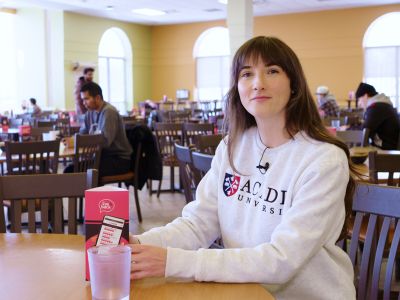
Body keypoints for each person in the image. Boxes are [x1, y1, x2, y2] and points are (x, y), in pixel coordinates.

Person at [129, 36, 356, 299]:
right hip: (243, 290)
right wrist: (139, 245)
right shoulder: (232, 146)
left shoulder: (324, 160)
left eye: (272, 71)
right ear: (237, 87)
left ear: (294, 85)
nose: (258, 83)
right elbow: (198, 224)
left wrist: (171, 262)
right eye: (247, 74)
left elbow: (281, 260)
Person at [77, 81, 132, 177]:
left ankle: (91, 192)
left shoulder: (109, 112)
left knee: (84, 172)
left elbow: (105, 141)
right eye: (82, 100)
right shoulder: (90, 112)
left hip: (119, 159)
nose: (84, 103)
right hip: (102, 157)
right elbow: (82, 134)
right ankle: (84, 192)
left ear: (97, 98)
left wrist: (86, 141)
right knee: (70, 170)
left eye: (86, 99)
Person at [355, 82, 399, 150]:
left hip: (386, 150)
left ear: (365, 96)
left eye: (359, 100)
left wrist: (346, 129)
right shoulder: (383, 104)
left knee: (353, 152)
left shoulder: (376, 107)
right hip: (390, 146)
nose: (359, 104)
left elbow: (365, 131)